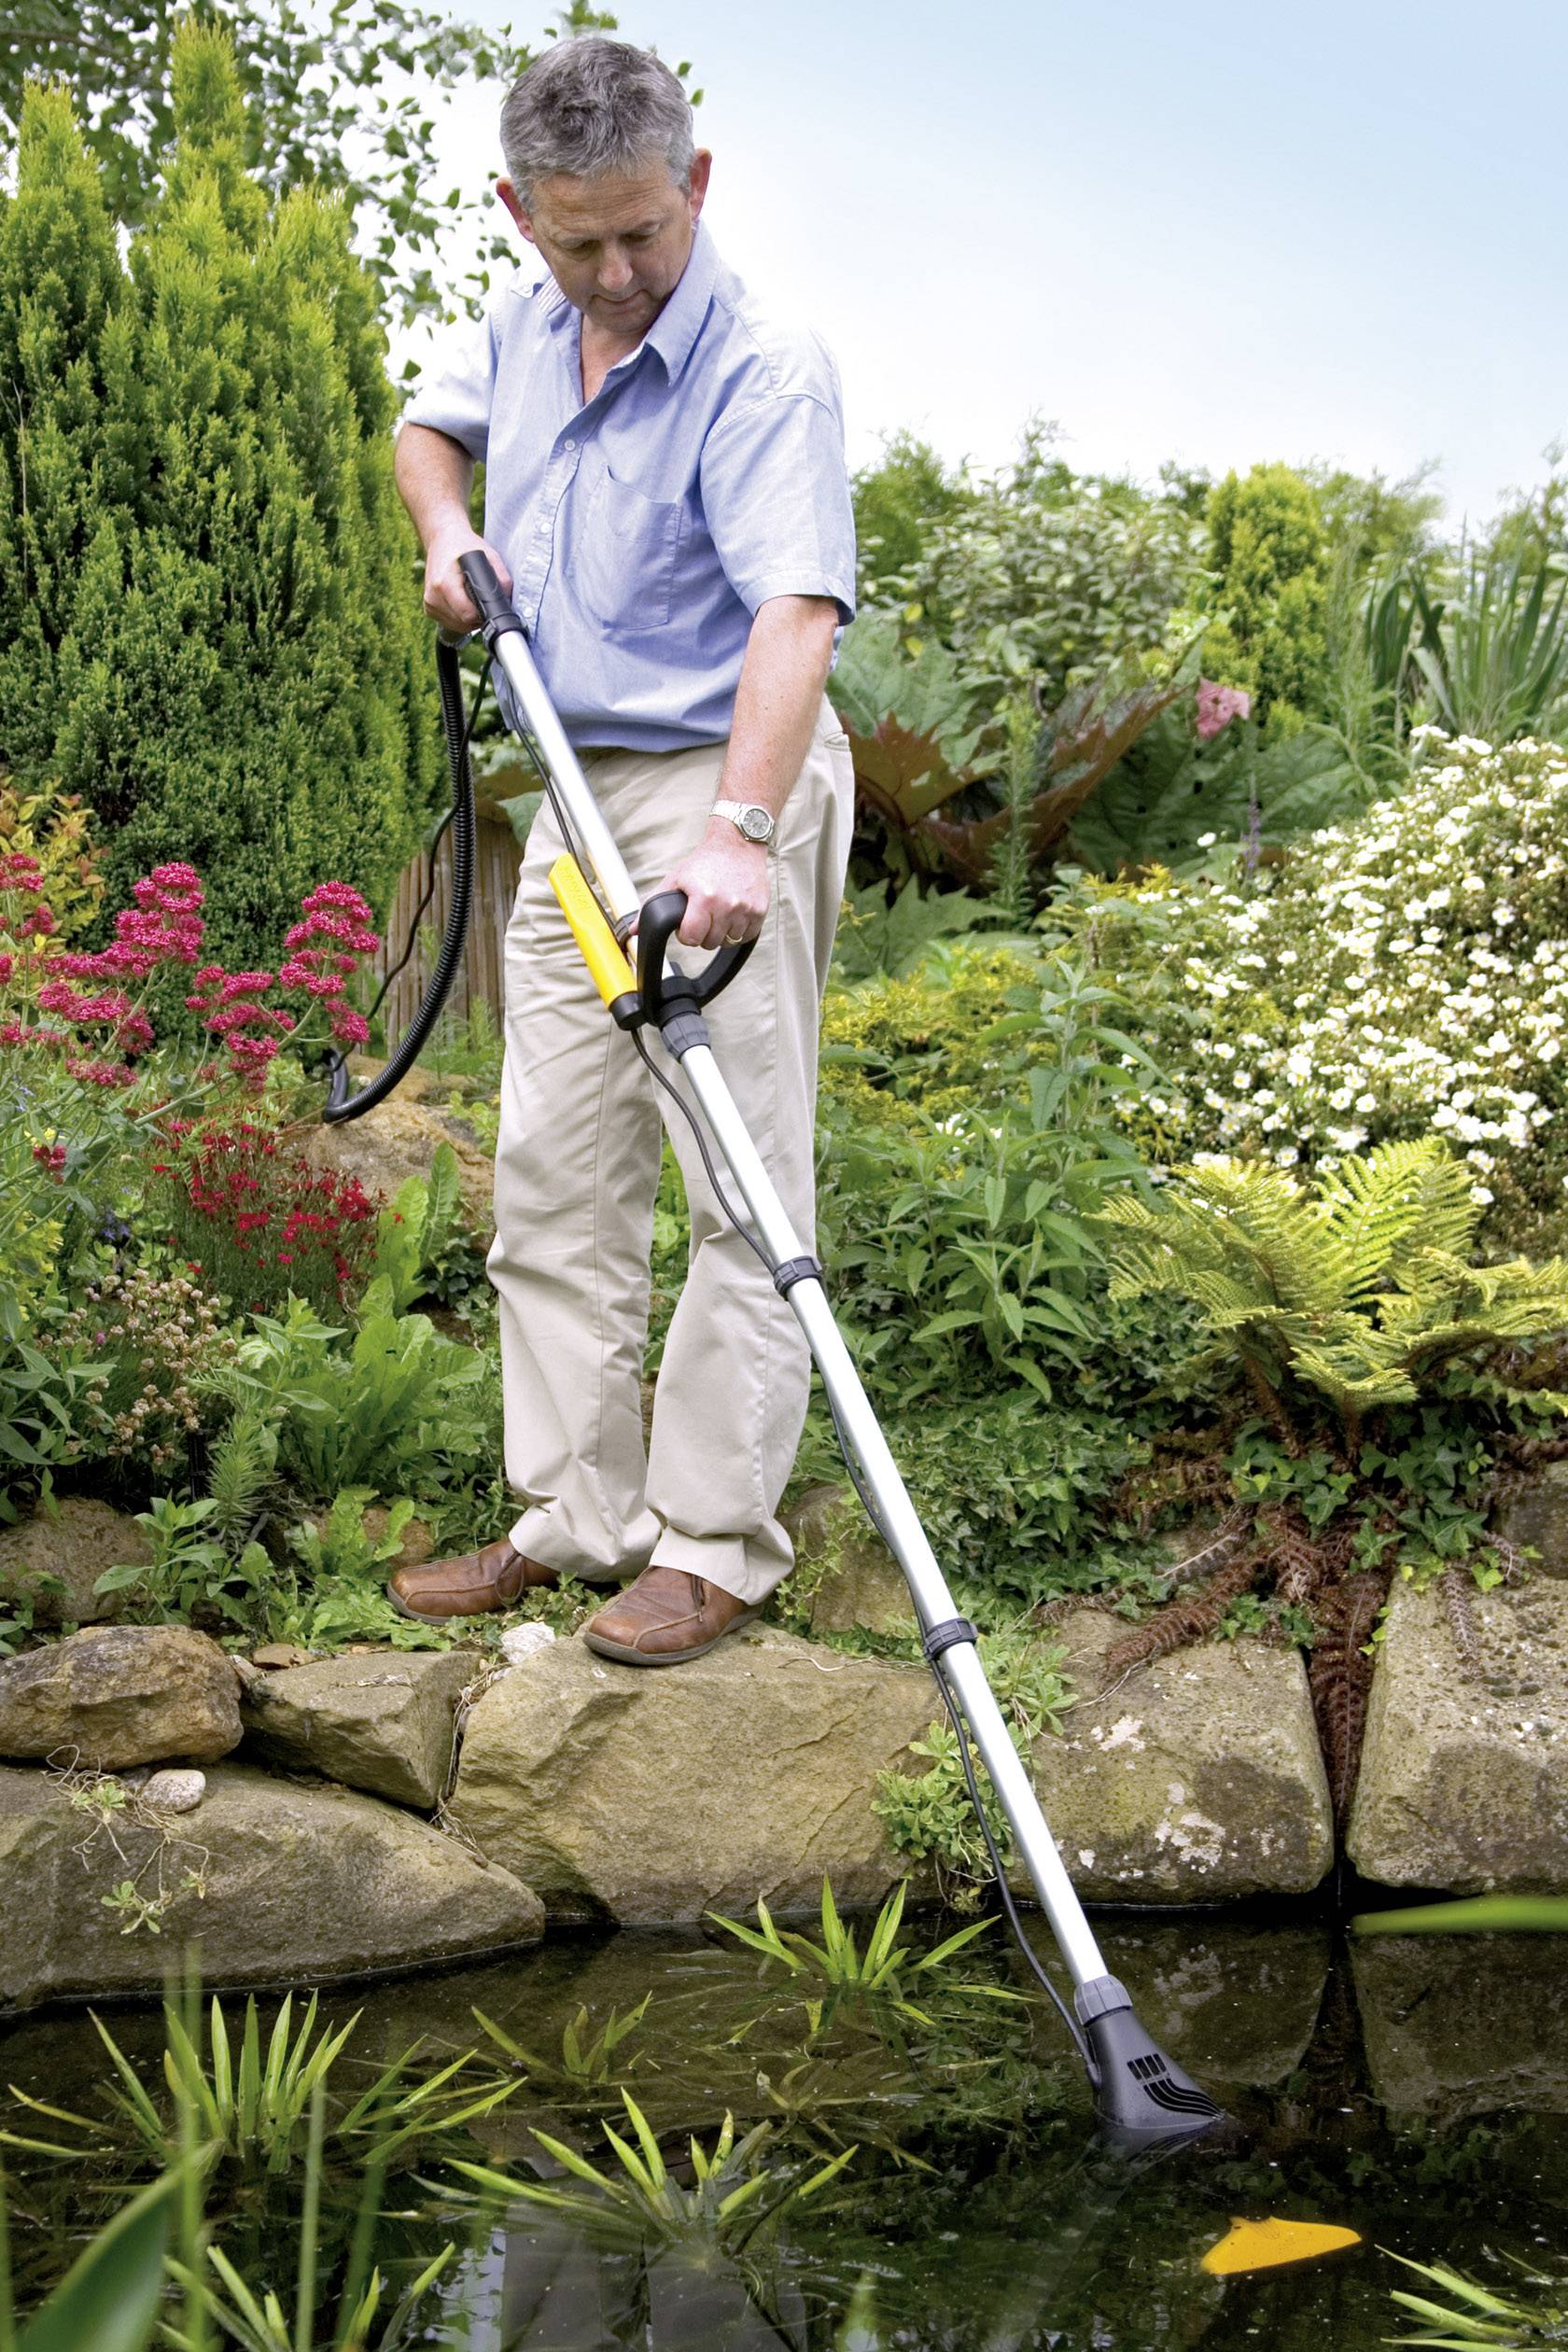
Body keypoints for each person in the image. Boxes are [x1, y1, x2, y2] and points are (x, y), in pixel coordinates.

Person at [385, 35, 857, 1665]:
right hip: (570, 792)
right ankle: (576, 1515)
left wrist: (741, 835)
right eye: (576, 240)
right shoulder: (526, 320)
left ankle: (715, 1539)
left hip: (716, 786)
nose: (615, 273)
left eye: (643, 235)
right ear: (517, 208)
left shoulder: (764, 363)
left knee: (739, 1166)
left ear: (696, 186)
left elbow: (797, 611)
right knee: (554, 1170)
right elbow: (426, 435)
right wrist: (451, 532)